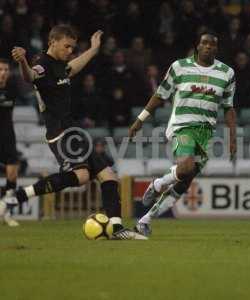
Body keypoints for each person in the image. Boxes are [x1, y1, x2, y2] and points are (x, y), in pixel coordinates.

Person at [7, 25, 146, 240]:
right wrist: (22, 61)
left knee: (109, 176)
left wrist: (93, 49)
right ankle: (20, 195)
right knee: (81, 176)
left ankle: (118, 229)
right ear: (52, 41)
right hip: (60, 132)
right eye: (67, 46)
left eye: (72, 47)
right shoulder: (42, 64)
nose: (70, 50)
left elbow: (72, 67)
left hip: (73, 130)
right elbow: (30, 77)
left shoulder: (60, 65)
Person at [128, 32, 237, 236]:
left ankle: (145, 220)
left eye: (212, 44)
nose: (208, 47)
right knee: (185, 166)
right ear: (197, 46)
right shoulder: (179, 67)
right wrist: (140, 120)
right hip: (182, 125)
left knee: (186, 179)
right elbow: (160, 95)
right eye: (204, 43)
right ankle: (158, 183)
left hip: (206, 132)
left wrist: (233, 138)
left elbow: (229, 108)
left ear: (216, 49)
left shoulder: (227, 73)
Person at [0, 58, 20, 227]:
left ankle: (6, 212)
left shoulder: (12, 88)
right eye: (0, 69)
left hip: (7, 135)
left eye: (6, 70)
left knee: (13, 174)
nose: (4, 73)